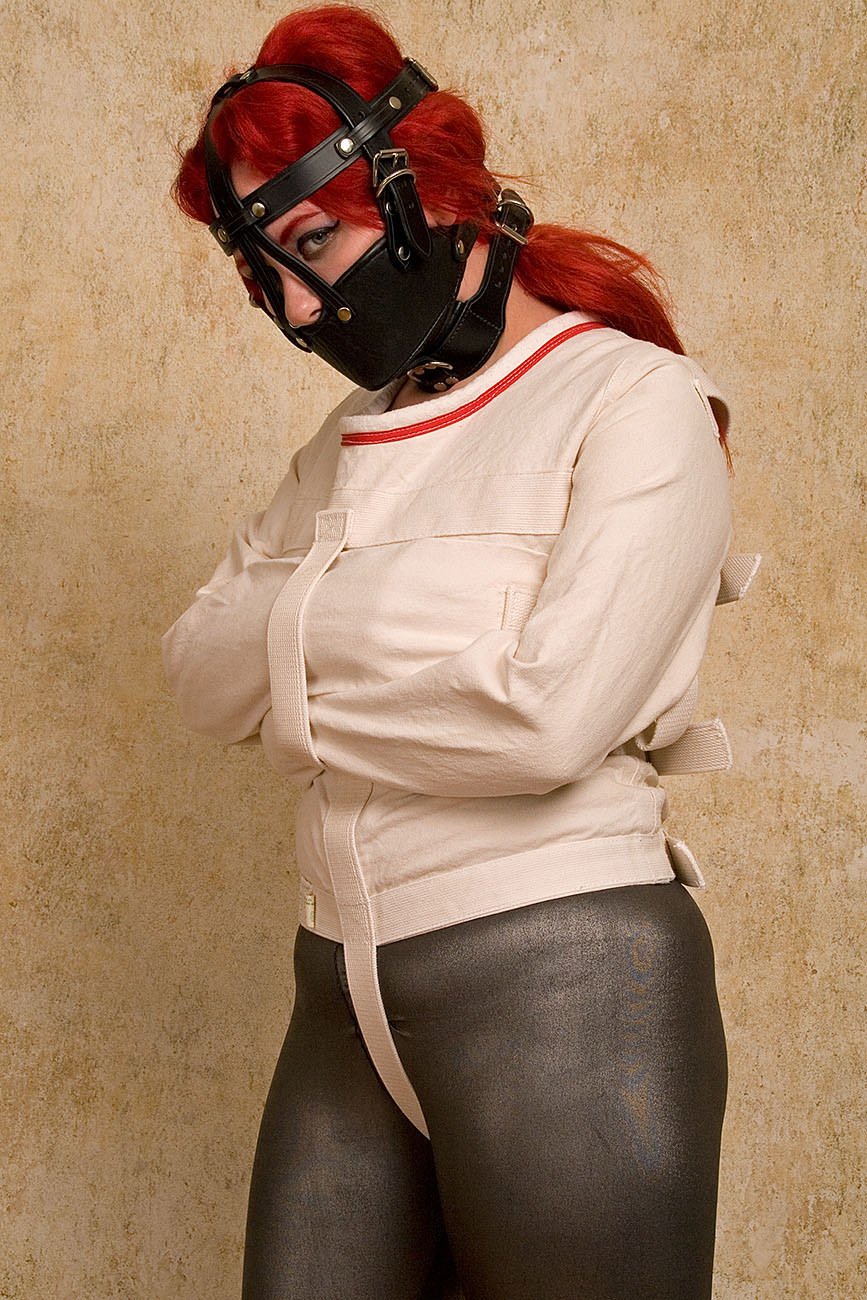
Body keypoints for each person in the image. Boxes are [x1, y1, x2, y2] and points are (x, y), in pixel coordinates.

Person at [162, 6, 760, 1297]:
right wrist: (399, 649)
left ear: (420, 184)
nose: (298, 305)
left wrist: (297, 679)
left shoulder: (635, 400)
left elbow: (546, 723)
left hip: (570, 977)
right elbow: (197, 677)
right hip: (339, 981)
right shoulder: (346, 439)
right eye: (263, 273)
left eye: (310, 242)